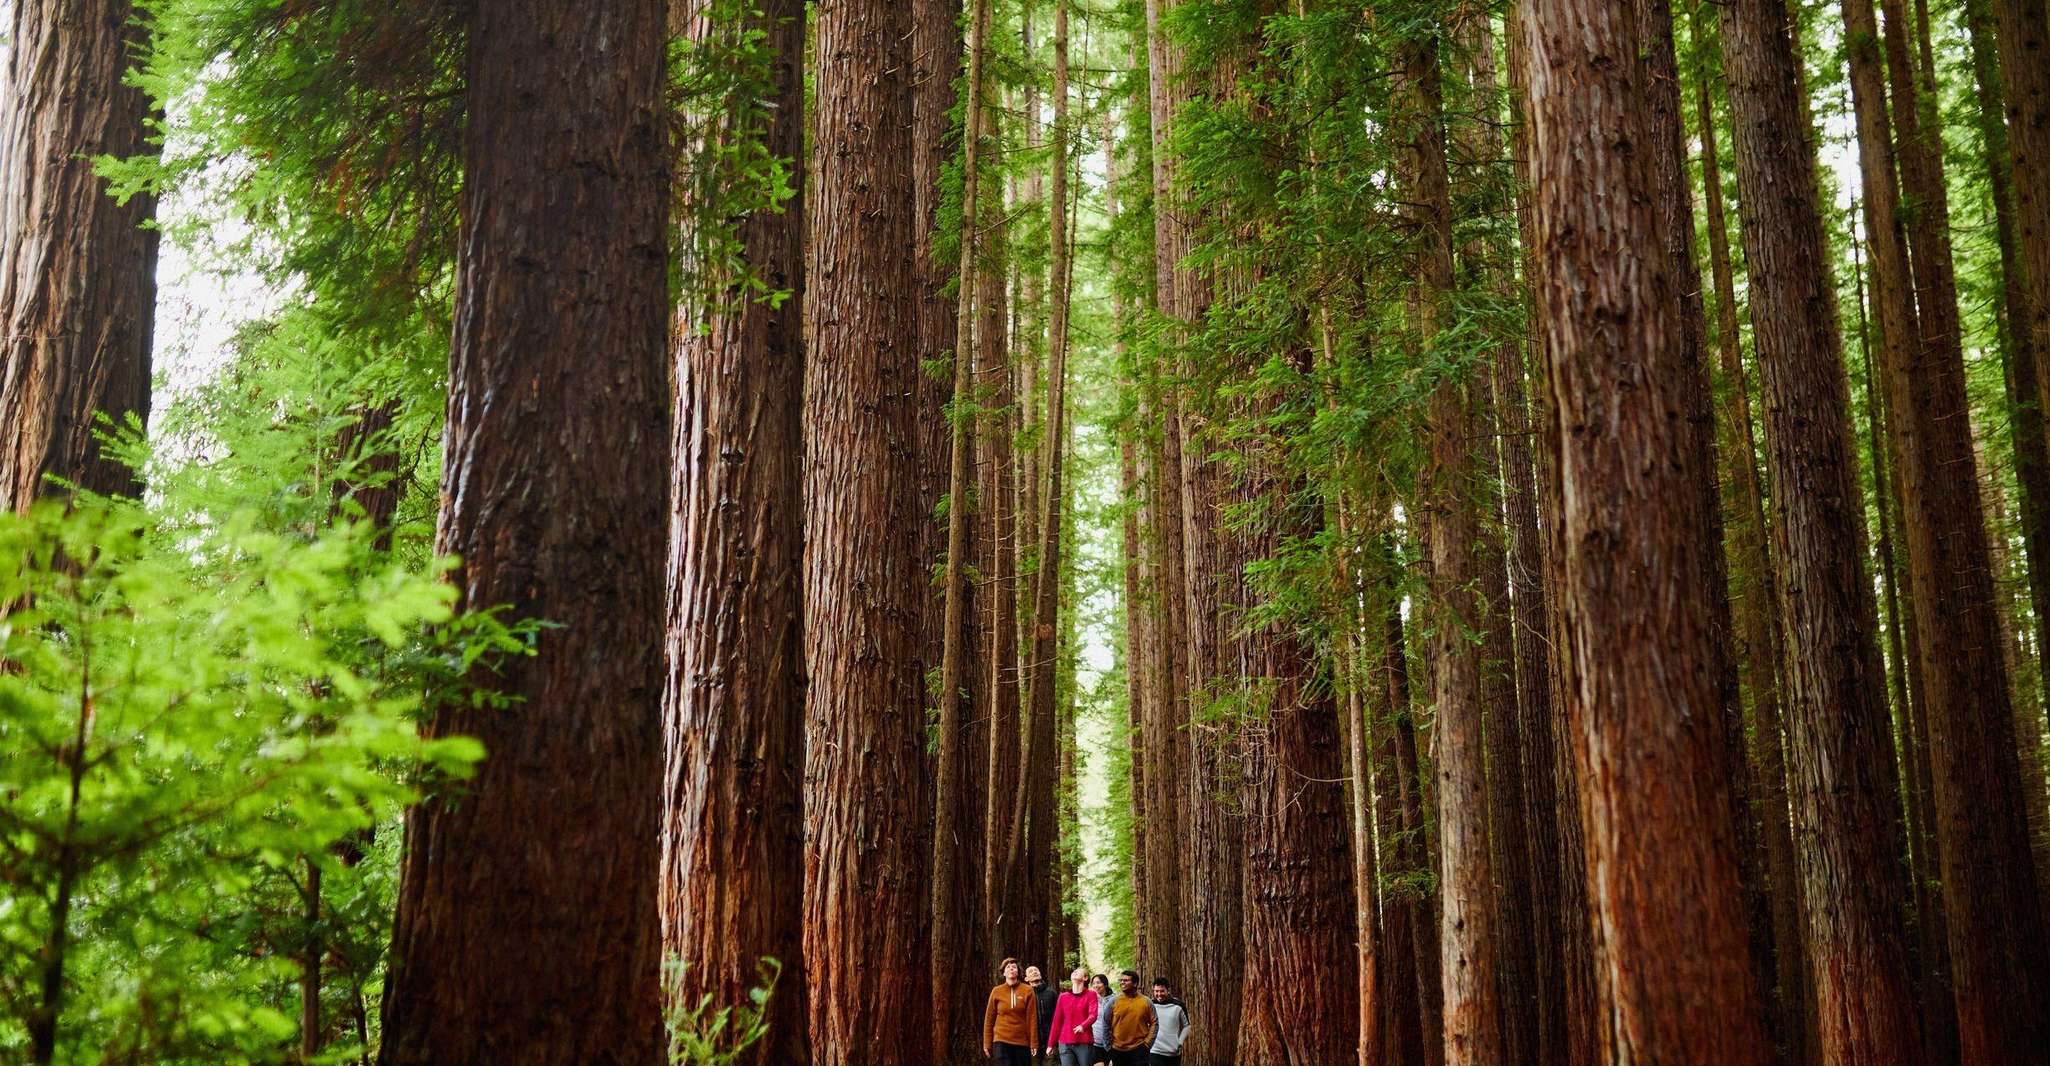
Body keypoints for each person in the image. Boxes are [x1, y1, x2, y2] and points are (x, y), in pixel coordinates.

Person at [984, 958, 1040, 1064]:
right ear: (1004, 973)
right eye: (1008, 967)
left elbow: (1032, 1018)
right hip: (1001, 1041)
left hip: (1022, 1042)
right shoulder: (996, 991)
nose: (1011, 969)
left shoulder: (1028, 990)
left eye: (1014, 967)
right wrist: (987, 1043)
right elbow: (989, 1019)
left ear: (1018, 972)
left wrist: (1034, 1043)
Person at [1048, 967, 1100, 1066]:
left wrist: (1083, 1026)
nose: (1075, 972)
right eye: (1074, 971)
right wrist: (1050, 1044)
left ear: (1085, 978)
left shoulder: (1091, 994)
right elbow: (1057, 1022)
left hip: (1084, 1041)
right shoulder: (1063, 997)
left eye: (1078, 971)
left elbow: (1093, 1015)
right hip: (1065, 1042)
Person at [1106, 969, 1156, 1066]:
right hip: (1117, 1050)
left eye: (1126, 980)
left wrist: (1148, 1043)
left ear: (1135, 983)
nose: (1122, 982)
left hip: (1139, 1049)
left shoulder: (1146, 1002)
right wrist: (1108, 1047)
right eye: (1121, 980)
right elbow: (1105, 1023)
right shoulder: (1113, 1001)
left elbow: (1155, 1022)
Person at [1147, 978, 1190, 1066]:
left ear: (1168, 990)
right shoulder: (1150, 1005)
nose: (1159, 994)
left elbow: (1187, 1026)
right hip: (1154, 1051)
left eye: (1162, 991)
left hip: (1173, 1052)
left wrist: (1180, 1043)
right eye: (1156, 991)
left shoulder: (1178, 1005)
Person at [1027, 965, 1060, 1054]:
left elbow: (1058, 1017)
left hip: (1051, 1041)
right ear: (1026, 978)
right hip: (1031, 1042)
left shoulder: (1051, 993)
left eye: (1036, 970)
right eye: (1031, 971)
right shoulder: (1026, 994)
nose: (1034, 972)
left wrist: (1055, 1040)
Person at [1089, 974, 1116, 1065]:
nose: (1095, 985)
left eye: (1098, 982)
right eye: (1093, 983)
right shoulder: (1091, 999)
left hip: (1111, 1043)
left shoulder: (1114, 1000)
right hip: (1095, 1042)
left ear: (1105, 984)